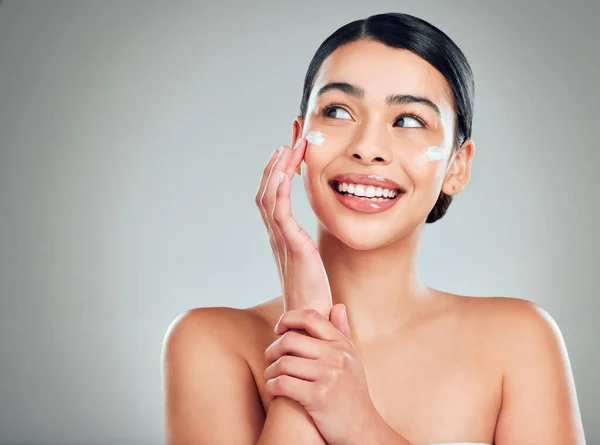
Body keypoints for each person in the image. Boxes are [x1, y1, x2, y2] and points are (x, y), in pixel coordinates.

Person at [161, 12, 586, 445]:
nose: (367, 148)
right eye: (339, 111)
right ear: (298, 141)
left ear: (458, 166)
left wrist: (357, 421)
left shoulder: (518, 342)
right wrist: (309, 325)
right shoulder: (208, 343)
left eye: (408, 120)